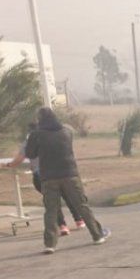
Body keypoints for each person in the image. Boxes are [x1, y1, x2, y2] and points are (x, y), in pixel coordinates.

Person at [24, 107, 109, 253]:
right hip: (70, 174)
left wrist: (35, 142)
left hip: (48, 177)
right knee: (82, 205)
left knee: (51, 210)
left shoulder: (36, 134)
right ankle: (97, 235)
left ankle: (50, 244)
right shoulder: (66, 132)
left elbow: (30, 154)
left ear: (40, 119)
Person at [9, 123, 86, 237]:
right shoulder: (52, 139)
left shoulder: (28, 143)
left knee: (53, 201)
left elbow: (18, 160)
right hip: (59, 173)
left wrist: (8, 165)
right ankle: (79, 220)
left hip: (42, 176)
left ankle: (62, 226)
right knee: (67, 196)